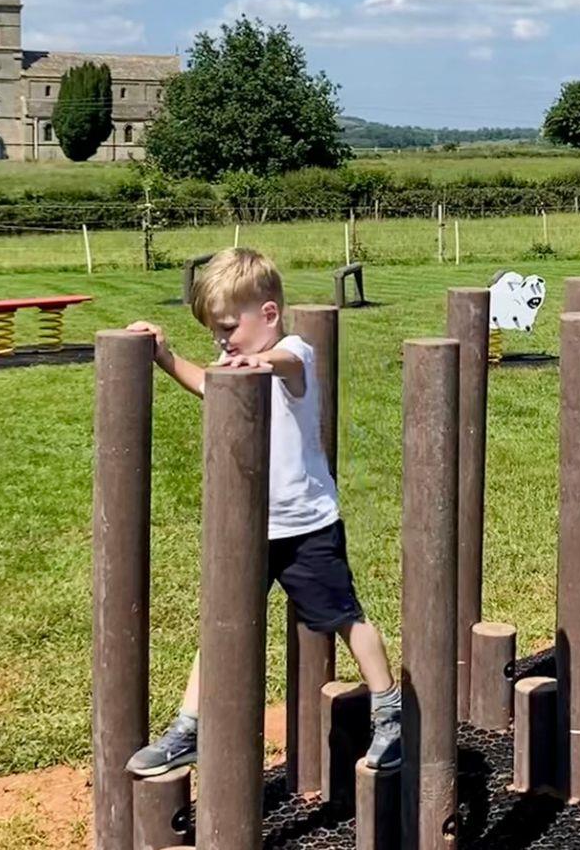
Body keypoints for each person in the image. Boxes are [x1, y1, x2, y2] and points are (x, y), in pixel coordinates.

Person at [124, 247, 400, 776]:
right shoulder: (233, 363)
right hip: (248, 529)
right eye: (214, 332)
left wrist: (261, 360)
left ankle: (389, 711)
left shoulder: (292, 352)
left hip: (305, 526)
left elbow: (290, 363)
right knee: (219, 624)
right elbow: (208, 384)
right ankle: (191, 728)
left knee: (344, 618)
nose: (222, 341)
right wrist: (165, 354)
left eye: (229, 327)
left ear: (268, 315)